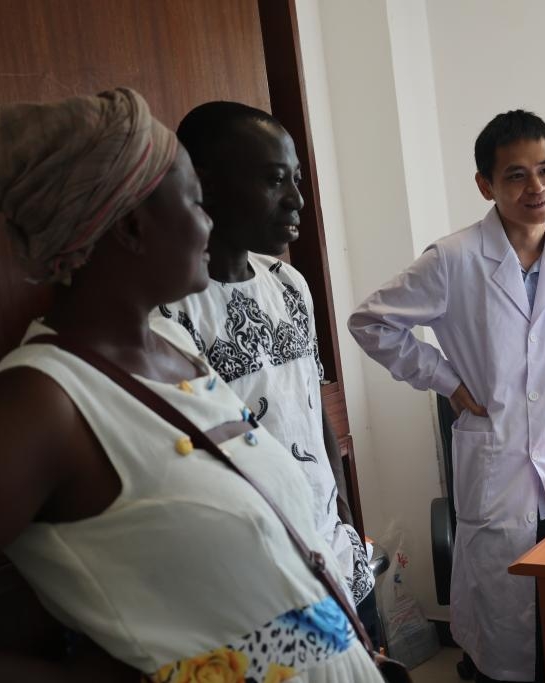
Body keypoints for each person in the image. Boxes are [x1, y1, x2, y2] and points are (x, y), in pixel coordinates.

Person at [0, 88, 381, 682]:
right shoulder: (40, 402)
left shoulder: (175, 359)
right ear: (135, 228)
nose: (207, 223)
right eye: (196, 202)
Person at [348, 110, 545, 682]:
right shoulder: (454, 259)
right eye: (516, 175)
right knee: (508, 640)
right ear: (485, 186)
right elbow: (371, 322)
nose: (536, 188)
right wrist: (446, 380)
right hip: (498, 475)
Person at [156, 101, 378, 642]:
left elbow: (310, 400)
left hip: (336, 552)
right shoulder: (169, 312)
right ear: (203, 181)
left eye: (297, 179)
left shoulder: (287, 282)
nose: (297, 200)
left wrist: (343, 508)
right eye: (275, 180)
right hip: (263, 579)